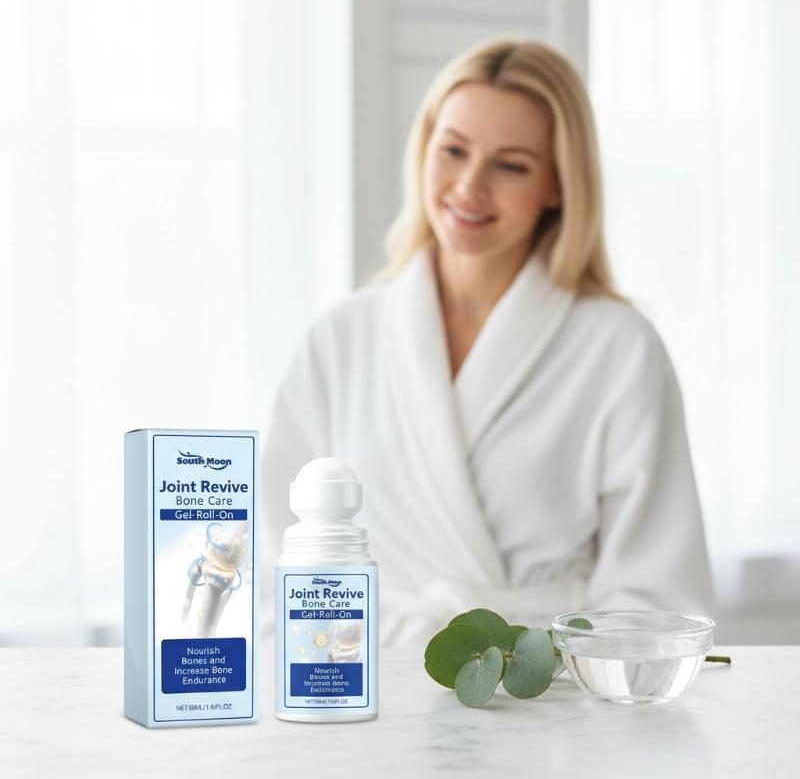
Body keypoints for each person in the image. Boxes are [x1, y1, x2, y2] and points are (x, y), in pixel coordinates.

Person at [262, 39, 713, 647]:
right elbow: (272, 563)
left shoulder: (621, 349)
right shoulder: (339, 339)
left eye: (512, 166)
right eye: (453, 150)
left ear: (558, 184)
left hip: (552, 689)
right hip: (360, 674)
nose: (469, 186)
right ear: (425, 149)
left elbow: (656, 596)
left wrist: (548, 671)